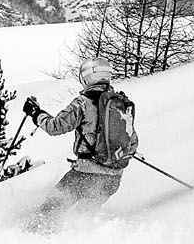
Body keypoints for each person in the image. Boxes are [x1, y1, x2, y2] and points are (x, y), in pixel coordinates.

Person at [21, 61, 137, 228]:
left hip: (85, 176)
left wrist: (36, 113)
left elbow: (55, 127)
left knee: (47, 213)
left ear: (88, 77)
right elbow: (132, 142)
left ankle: (26, 241)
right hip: (113, 180)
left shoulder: (83, 103)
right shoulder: (121, 104)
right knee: (80, 222)